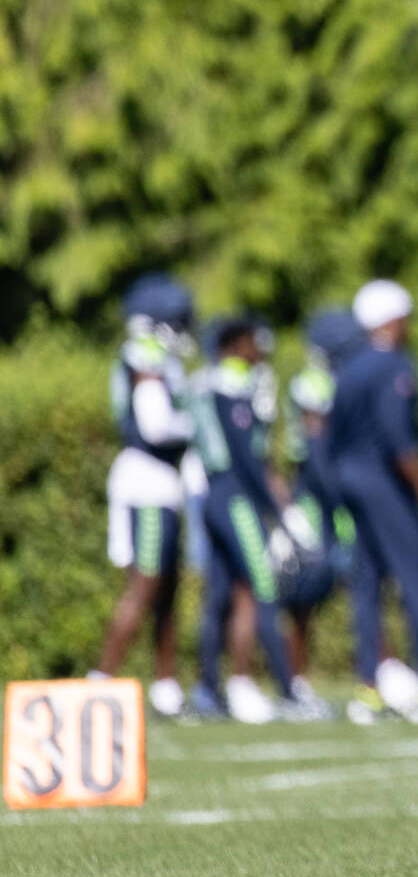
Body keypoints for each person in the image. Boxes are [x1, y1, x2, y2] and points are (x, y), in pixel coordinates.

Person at [330, 280, 418, 724]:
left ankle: (369, 689)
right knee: (415, 579)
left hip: (349, 478)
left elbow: (331, 436)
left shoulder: (349, 367)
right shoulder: (392, 367)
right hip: (381, 480)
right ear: (391, 319)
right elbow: (398, 440)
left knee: (367, 585)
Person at [189, 316, 326, 722]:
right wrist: (278, 509)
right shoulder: (231, 384)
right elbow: (249, 458)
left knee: (219, 593)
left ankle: (209, 689)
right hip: (234, 496)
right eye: (253, 344)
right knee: (262, 587)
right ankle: (280, 688)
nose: (259, 353)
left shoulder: (206, 382)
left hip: (215, 494)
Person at [92, 274, 200, 718]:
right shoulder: (146, 352)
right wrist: (197, 429)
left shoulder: (161, 356)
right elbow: (155, 424)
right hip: (148, 483)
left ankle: (166, 684)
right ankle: (100, 680)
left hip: (161, 484)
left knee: (167, 588)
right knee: (145, 584)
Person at [278, 308, 364, 681]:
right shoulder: (311, 383)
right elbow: (317, 449)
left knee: (363, 580)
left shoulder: (348, 379)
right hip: (316, 491)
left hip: (341, 489)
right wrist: (340, 494)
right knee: (305, 592)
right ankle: (296, 680)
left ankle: (383, 673)